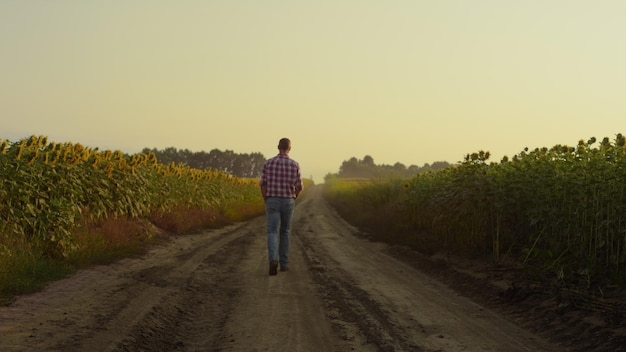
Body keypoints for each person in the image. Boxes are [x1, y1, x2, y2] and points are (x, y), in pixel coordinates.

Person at [260, 138, 303, 276]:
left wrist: (266, 198)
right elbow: (299, 186)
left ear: (278, 147)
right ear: (289, 148)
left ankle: (273, 260)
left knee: (272, 231)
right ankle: (284, 264)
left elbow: (263, 184)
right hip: (288, 200)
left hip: (272, 199)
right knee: (285, 232)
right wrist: (294, 196)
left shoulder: (268, 163)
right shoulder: (294, 164)